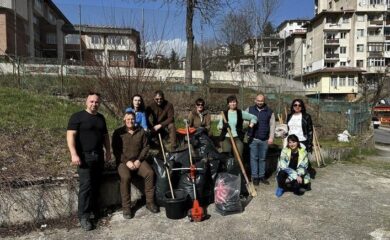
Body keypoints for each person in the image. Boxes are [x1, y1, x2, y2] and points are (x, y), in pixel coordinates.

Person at [66, 92, 111, 231]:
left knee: (96, 185)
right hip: (84, 157)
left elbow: (105, 137)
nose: (94, 104)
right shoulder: (77, 117)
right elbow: (70, 136)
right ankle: (83, 217)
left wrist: (108, 151)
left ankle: (94, 211)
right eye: (91, 101)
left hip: (98, 157)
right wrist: (74, 154)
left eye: (97, 102)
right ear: (86, 102)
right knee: (86, 187)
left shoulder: (101, 118)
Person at [112, 112, 159, 219]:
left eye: (132, 119)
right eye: (128, 119)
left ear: (135, 120)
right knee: (125, 177)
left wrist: (139, 160)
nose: (130, 121)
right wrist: (126, 161)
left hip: (139, 160)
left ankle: (150, 202)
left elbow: (146, 147)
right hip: (123, 162)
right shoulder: (118, 132)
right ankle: (126, 207)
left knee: (150, 173)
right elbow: (116, 150)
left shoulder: (141, 131)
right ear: (124, 120)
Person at [218, 95, 257, 168]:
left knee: (239, 157)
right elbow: (219, 126)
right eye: (231, 102)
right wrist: (224, 126)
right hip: (226, 138)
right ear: (228, 104)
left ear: (236, 103)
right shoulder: (224, 113)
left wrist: (251, 125)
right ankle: (227, 174)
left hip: (237, 137)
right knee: (227, 157)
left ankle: (238, 173)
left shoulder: (240, 113)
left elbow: (254, 117)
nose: (233, 104)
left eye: (234, 102)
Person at [247, 94, 275, 186]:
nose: (260, 102)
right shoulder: (249, 110)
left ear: (264, 101)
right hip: (253, 138)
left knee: (262, 159)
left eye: (261, 101)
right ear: (255, 100)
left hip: (264, 139)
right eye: (258, 100)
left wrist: (271, 138)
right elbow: (242, 119)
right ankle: (255, 177)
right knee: (254, 158)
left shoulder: (270, 111)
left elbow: (272, 125)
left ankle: (262, 176)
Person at [286, 98, 315, 177]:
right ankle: (292, 177)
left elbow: (310, 131)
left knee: (301, 161)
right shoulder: (289, 116)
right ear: (292, 106)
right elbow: (288, 129)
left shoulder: (306, 116)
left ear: (302, 107)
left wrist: (309, 144)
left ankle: (302, 179)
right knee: (291, 160)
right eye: (295, 105)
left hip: (301, 141)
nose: (297, 107)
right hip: (290, 141)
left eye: (299, 105)